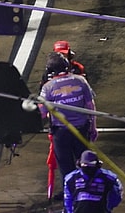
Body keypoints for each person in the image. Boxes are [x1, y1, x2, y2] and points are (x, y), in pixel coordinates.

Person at [38, 52, 98, 190]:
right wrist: (93, 127)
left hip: (61, 133)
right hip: (82, 129)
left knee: (66, 167)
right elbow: (90, 106)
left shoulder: (48, 87)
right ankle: (88, 192)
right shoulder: (81, 80)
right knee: (84, 162)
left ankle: (70, 196)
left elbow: (42, 113)